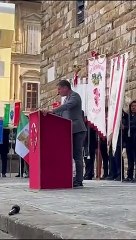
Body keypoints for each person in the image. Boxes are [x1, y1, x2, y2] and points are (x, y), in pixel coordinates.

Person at [42, 80, 87, 187]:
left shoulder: (75, 96)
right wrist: (50, 115)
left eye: (59, 89)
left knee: (77, 155)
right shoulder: (66, 99)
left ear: (65, 88)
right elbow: (62, 113)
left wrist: (51, 111)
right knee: (69, 155)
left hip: (78, 130)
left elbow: (66, 107)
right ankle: (70, 177)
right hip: (69, 130)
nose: (58, 91)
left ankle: (79, 180)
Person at [124, 100, 136, 182]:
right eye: (132, 106)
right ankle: (129, 175)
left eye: (135, 106)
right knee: (130, 159)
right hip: (129, 141)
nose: (133, 107)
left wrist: (125, 127)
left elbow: (133, 126)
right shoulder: (129, 116)